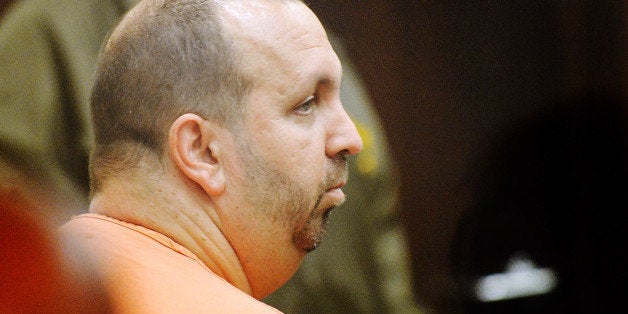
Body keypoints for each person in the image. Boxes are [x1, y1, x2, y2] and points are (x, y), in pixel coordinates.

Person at [1, 0, 420, 312]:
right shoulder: (51, 32)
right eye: (307, 103)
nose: (350, 137)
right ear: (202, 151)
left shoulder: (52, 289)